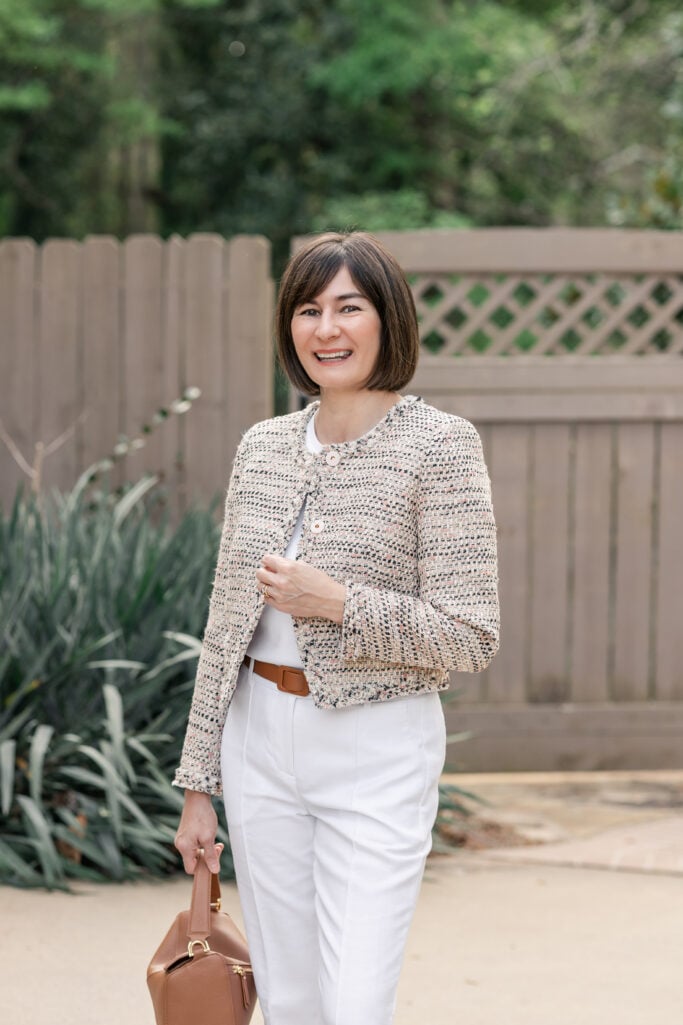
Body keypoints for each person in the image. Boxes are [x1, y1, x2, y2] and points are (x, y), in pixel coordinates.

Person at [173, 231, 499, 1025]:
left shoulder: (440, 447)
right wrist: (197, 784)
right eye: (308, 310)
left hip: (374, 746)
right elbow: (226, 627)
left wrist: (340, 603)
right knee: (289, 1001)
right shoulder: (263, 447)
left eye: (348, 307)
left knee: (353, 1003)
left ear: (388, 320)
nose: (326, 329)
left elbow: (470, 634)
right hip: (257, 741)